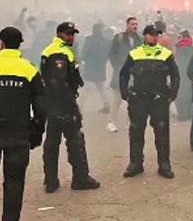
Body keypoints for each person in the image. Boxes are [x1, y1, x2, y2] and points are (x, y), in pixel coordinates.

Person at [41, 22, 100, 193]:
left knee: (52, 142)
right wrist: (72, 108)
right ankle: (80, 179)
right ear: (59, 34)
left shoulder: (56, 50)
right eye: (68, 34)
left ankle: (51, 180)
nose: (71, 37)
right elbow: (59, 83)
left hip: (53, 104)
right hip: (62, 105)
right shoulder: (58, 52)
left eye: (73, 34)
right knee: (74, 141)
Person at [119, 24, 180, 179]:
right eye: (151, 34)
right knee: (136, 131)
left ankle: (164, 164)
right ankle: (135, 164)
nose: (154, 37)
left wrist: (172, 94)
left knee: (162, 132)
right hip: (139, 98)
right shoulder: (135, 53)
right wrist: (124, 92)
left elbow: (175, 75)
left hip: (159, 99)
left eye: (156, 35)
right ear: (145, 36)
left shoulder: (166, 54)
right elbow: (123, 73)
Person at [0, 27, 47, 221]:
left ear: (1, 43)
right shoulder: (29, 68)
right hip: (18, 133)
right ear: (20, 45)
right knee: (14, 181)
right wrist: (37, 131)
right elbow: (41, 105)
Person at [107, 17, 141, 133]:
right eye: (132, 24)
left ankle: (129, 122)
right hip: (121, 72)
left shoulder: (140, 39)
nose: (134, 26)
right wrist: (117, 66)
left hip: (135, 73)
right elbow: (111, 53)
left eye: (136, 24)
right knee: (117, 98)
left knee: (133, 99)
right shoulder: (119, 38)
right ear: (127, 25)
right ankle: (111, 121)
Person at [81, 22, 111, 114]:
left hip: (90, 66)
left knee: (86, 87)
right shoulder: (105, 41)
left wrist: (84, 60)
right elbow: (107, 54)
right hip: (100, 67)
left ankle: (79, 106)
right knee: (101, 87)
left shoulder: (89, 40)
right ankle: (107, 105)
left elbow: (84, 53)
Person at [174, 30, 193, 121]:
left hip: (181, 75)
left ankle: (182, 115)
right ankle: (189, 114)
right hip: (190, 76)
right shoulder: (192, 48)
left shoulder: (180, 48)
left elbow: (178, 62)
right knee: (189, 95)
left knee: (180, 96)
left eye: (179, 37)